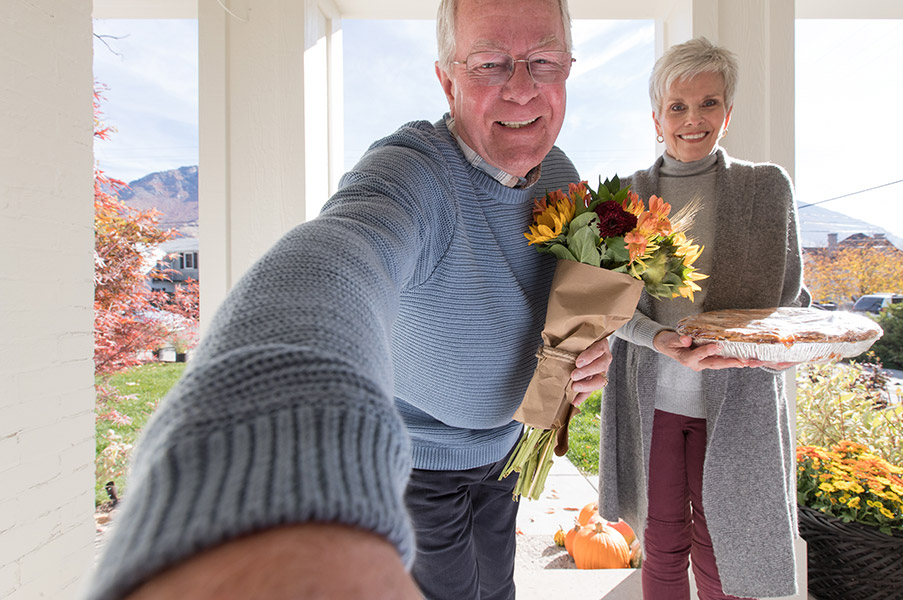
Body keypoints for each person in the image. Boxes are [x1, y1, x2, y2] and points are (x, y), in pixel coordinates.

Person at [83, 1, 612, 599]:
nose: (521, 88)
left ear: (568, 68)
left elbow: (555, 295)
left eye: (543, 60)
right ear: (446, 78)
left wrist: (587, 347)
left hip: (506, 455)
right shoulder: (415, 171)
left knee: (497, 591)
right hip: (419, 466)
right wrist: (260, 462)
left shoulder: (562, 172)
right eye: (490, 63)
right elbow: (343, 253)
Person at [598, 38, 811, 600]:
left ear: (728, 112)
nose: (693, 120)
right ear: (656, 118)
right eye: (677, 106)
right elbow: (605, 305)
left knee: (727, 550)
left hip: (739, 401)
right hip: (657, 402)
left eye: (709, 103)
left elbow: (794, 301)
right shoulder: (624, 200)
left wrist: (782, 346)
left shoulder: (767, 189)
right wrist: (658, 337)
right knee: (663, 547)